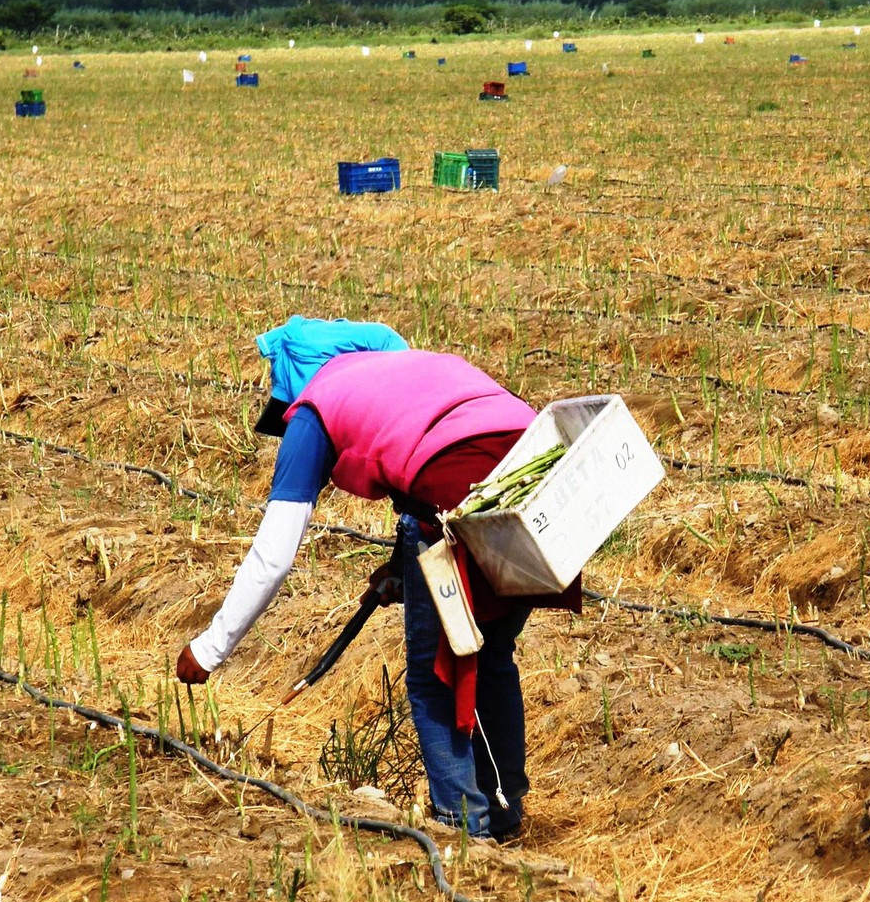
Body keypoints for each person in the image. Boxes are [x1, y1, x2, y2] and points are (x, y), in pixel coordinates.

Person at [176, 316, 580, 841]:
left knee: (436, 677)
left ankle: (465, 831)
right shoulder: (407, 369)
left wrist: (209, 648)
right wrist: (400, 566)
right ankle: (503, 818)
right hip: (538, 472)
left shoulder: (314, 408)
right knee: (491, 655)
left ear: (296, 378)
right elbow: (421, 457)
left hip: (453, 489)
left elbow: (274, 554)